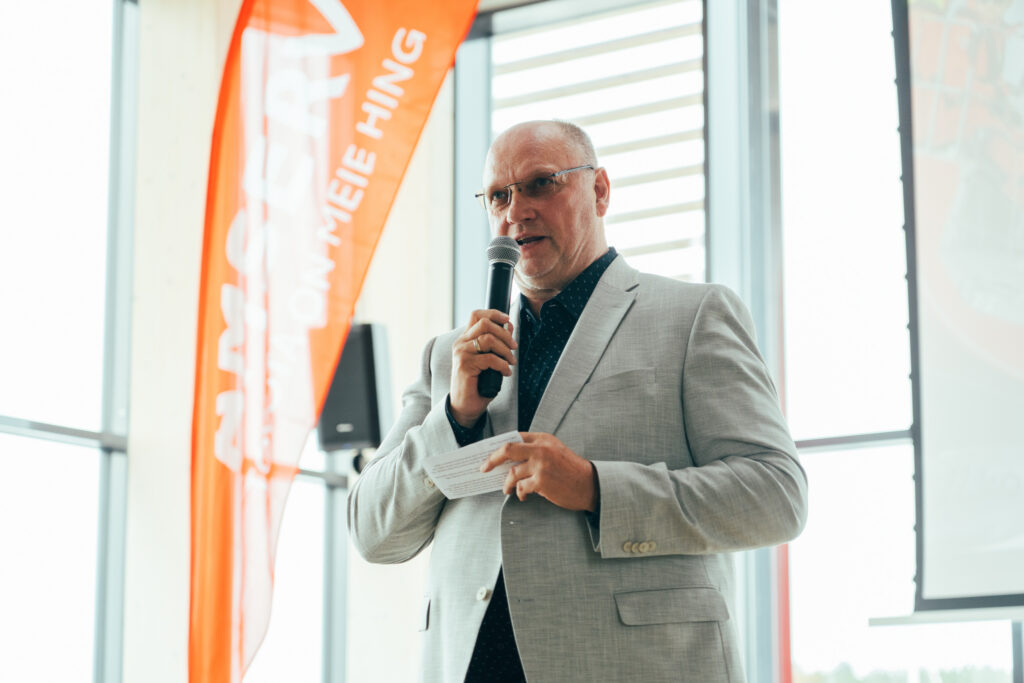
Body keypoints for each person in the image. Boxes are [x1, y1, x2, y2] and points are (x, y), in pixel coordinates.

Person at [347, 120, 808, 682]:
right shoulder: (451, 358)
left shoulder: (693, 316)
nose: (516, 211)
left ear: (600, 190)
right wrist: (455, 417)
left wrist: (594, 487)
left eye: (541, 184)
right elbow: (372, 533)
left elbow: (776, 495)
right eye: (499, 196)